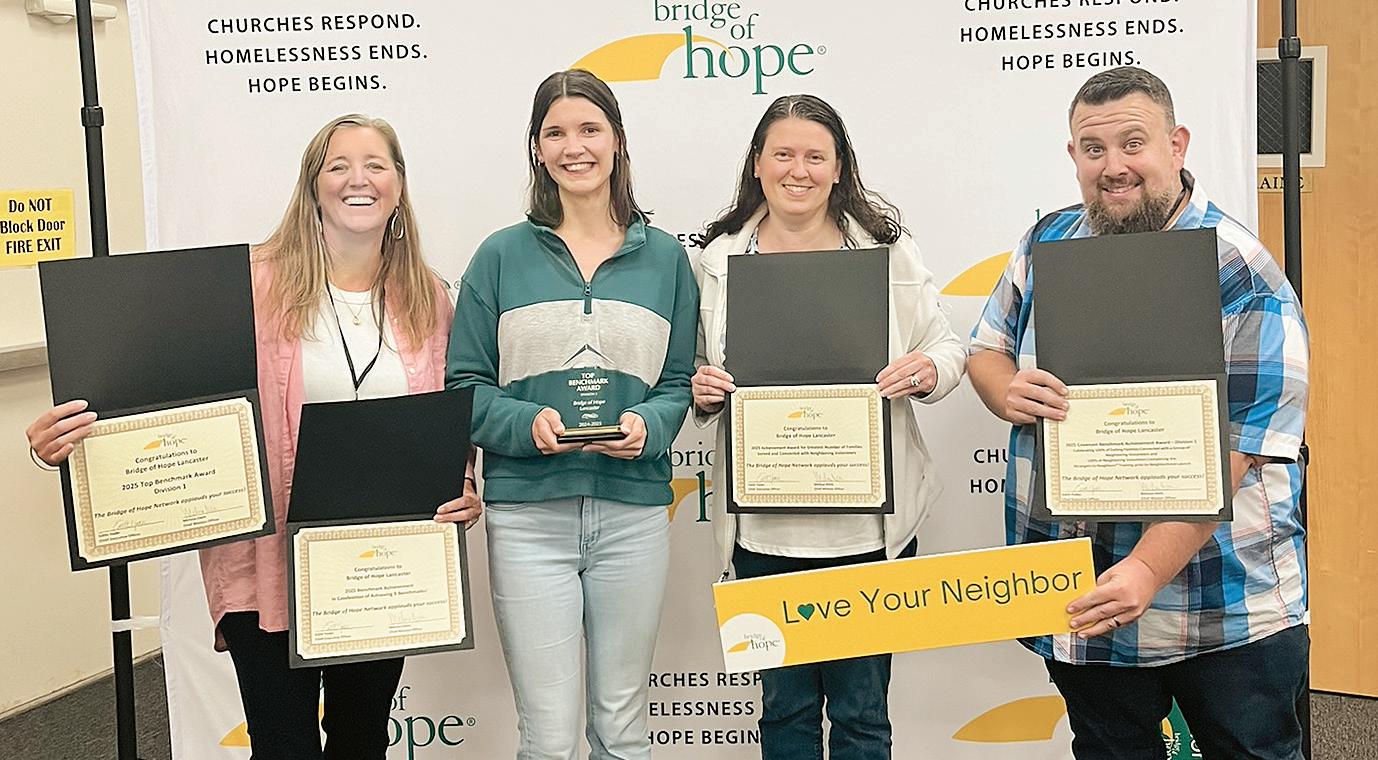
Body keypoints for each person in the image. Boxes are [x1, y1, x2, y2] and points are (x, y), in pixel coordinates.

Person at [25, 114, 480, 760]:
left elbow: (445, 416)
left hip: (380, 564)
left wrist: (460, 484)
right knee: (281, 744)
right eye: (338, 165)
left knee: (361, 741)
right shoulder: (247, 285)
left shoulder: (428, 299)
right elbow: (159, 391)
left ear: (399, 185)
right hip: (263, 562)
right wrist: (67, 443)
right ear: (312, 185)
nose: (358, 179)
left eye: (375, 165)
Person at [967, 66, 1309, 759]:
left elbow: (1241, 445)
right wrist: (1005, 390)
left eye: (1133, 143)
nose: (1113, 166)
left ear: (1176, 145)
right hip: (1084, 592)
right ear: (1073, 156)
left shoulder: (1239, 269)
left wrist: (1148, 570)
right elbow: (986, 349)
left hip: (1223, 606)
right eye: (1094, 149)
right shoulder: (1045, 243)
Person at [691, 94, 966, 760]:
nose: (799, 170)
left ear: (839, 167)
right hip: (762, 531)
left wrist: (926, 370)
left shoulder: (888, 251)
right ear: (758, 164)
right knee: (783, 713)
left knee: (862, 716)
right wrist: (701, 388)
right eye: (783, 154)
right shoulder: (714, 260)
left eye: (816, 156)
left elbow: (947, 347)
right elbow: (693, 368)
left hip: (866, 531)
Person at [446, 69, 697, 760]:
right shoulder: (499, 256)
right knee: (548, 737)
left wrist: (651, 426)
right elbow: (465, 385)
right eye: (555, 132)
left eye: (590, 129)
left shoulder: (666, 259)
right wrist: (523, 425)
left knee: (621, 727)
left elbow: (678, 382)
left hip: (633, 515)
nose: (573, 146)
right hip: (527, 518)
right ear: (536, 148)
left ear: (617, 141)